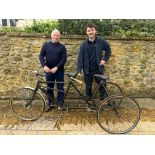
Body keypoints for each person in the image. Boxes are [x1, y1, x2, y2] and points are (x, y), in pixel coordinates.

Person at [77, 23, 111, 102]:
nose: (90, 32)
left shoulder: (101, 41)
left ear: (95, 31)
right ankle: (89, 102)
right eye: (89, 30)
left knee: (102, 85)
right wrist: (79, 70)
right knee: (88, 87)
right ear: (86, 32)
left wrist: (104, 60)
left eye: (92, 30)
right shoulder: (83, 44)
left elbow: (108, 50)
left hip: (98, 69)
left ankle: (103, 100)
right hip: (87, 70)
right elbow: (80, 57)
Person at [39, 29, 67, 112]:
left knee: (60, 88)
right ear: (51, 36)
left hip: (59, 71)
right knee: (49, 88)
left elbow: (64, 59)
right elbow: (41, 56)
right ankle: (50, 104)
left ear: (59, 37)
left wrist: (56, 67)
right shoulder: (46, 45)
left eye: (57, 35)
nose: (56, 37)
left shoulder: (62, 47)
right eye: (54, 35)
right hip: (48, 71)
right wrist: (44, 66)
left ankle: (59, 104)